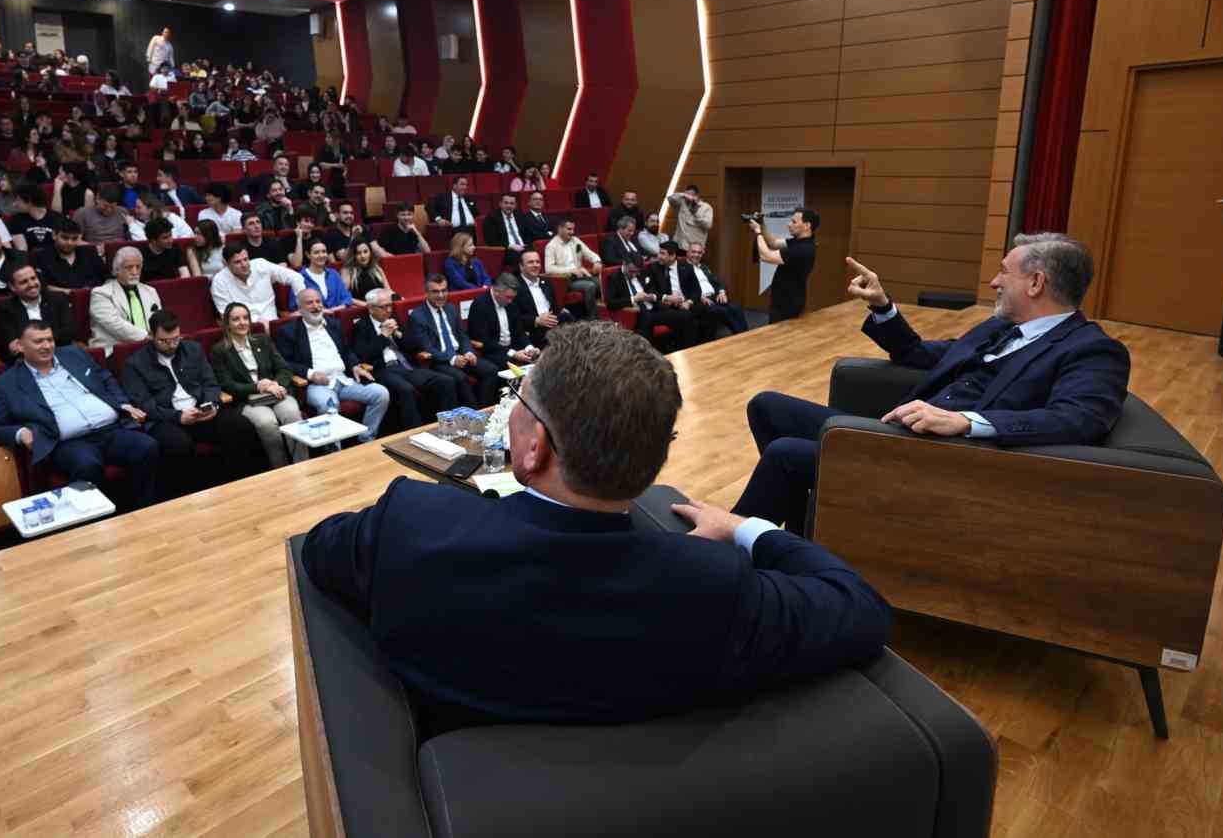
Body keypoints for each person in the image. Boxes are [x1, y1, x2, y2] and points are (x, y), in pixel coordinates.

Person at [302, 320, 892, 728]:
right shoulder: (711, 584)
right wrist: (746, 528)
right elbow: (859, 608)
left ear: (534, 450)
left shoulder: (414, 522)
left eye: (518, 407)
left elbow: (321, 549)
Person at [733, 235, 1132, 536]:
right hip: (897, 432)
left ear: (1036, 283)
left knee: (786, 454)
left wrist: (968, 422)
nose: (994, 281)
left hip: (944, 460)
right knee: (766, 405)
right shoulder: (1000, 327)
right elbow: (919, 354)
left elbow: (1077, 419)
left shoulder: (1093, 350)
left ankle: (728, 548)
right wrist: (881, 305)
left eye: (1004, 272)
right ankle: (806, 534)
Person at [0, 323, 163, 508]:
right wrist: (22, 433)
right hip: (67, 442)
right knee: (87, 464)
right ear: (20, 346)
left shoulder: (75, 354)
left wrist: (123, 404)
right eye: (38, 341)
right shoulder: (8, 382)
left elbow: (106, 378)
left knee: (147, 446)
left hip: (110, 429)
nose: (47, 346)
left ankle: (144, 510)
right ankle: (93, 524)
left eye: (50, 340)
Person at [119, 311, 265, 493]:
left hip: (200, 411)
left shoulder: (193, 349)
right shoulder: (135, 363)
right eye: (164, 341)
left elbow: (211, 383)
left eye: (175, 338)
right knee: (178, 445)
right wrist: (178, 416)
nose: (171, 345)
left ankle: (240, 486)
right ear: (150, 336)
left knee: (239, 425)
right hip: (166, 419)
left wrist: (212, 404)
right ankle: (195, 496)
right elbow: (144, 404)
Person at [273, 289, 389, 444]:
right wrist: (310, 373)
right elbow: (285, 363)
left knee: (381, 393)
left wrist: (355, 365)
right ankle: (335, 451)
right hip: (317, 385)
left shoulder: (334, 324)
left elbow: (347, 350)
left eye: (318, 301)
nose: (316, 306)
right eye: (310, 303)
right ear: (299, 308)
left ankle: (366, 439)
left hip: (344, 380)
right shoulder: (288, 331)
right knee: (329, 406)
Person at [209, 302, 309, 467]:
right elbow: (227, 385)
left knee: (292, 414)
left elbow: (284, 369)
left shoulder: (262, 340)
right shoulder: (219, 350)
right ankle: (281, 468)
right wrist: (259, 386)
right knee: (267, 423)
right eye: (236, 319)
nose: (242, 322)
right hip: (248, 399)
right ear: (227, 324)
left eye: (245, 318)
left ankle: (303, 465)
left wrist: (278, 385)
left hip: (276, 393)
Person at [351, 289, 458, 431]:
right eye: (383, 307)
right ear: (371, 308)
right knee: (406, 390)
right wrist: (383, 336)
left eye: (390, 305)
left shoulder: (395, 319)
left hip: (406, 367)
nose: (388, 310)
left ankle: (448, 427)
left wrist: (398, 334)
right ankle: (417, 433)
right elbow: (363, 356)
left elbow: (414, 346)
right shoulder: (361, 326)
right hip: (383, 370)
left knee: (445, 381)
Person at [405, 273, 498, 407]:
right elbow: (427, 348)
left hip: (460, 355)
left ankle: (486, 408)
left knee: (490, 370)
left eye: (444, 290)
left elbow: (462, 336)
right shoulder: (417, 316)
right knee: (460, 378)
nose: (441, 295)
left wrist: (468, 352)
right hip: (439, 361)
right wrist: (452, 359)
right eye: (435, 292)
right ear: (426, 293)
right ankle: (474, 413)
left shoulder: (451, 308)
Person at [608, 255, 697, 349]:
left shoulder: (641, 273)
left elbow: (653, 290)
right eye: (632, 271)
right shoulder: (614, 278)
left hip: (655, 308)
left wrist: (656, 296)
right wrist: (634, 299)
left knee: (686, 316)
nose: (635, 274)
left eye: (637, 272)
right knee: (646, 320)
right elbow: (611, 303)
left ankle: (687, 350)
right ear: (624, 264)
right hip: (639, 313)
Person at [209, 243, 305, 326]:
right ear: (226, 264)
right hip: (246, 328)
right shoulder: (219, 281)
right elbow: (226, 315)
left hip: (275, 324)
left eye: (246, 259)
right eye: (237, 262)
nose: (244, 265)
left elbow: (296, 277)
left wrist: (302, 305)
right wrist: (255, 324)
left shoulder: (261, 265)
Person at [89, 247, 162, 355]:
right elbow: (115, 325)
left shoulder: (150, 291)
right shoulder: (100, 293)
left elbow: (160, 319)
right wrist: (147, 337)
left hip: (149, 350)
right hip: (116, 352)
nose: (135, 272)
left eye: (138, 267)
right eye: (129, 267)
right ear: (117, 269)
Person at [752, 207, 819, 323]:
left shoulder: (802, 249)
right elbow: (773, 243)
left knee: (778, 337)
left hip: (788, 303)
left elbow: (766, 256)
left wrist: (758, 232)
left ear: (807, 225)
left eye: (794, 222)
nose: (789, 224)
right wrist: (762, 224)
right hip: (783, 299)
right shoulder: (799, 242)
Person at [0, 264, 75, 356]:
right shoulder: (5, 308)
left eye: (33, 278)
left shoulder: (58, 299)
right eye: (24, 282)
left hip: (60, 351)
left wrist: (30, 342)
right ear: (13, 287)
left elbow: (68, 332)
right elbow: (12, 343)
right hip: (27, 358)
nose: (32, 284)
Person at [465, 273, 540, 370]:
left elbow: (519, 332)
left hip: (511, 347)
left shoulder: (511, 303)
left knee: (537, 359)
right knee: (506, 363)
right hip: (492, 351)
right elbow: (484, 341)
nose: (510, 301)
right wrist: (513, 353)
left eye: (513, 297)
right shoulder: (480, 305)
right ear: (496, 291)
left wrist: (529, 348)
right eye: (508, 297)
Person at [684, 241, 748, 336]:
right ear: (687, 253)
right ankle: (741, 336)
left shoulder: (704, 267)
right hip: (700, 300)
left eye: (699, 253)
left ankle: (744, 335)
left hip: (714, 297)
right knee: (722, 311)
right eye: (693, 252)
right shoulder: (682, 267)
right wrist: (699, 297)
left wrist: (722, 292)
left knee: (736, 308)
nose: (696, 255)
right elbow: (683, 287)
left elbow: (717, 282)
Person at [512, 250, 570, 350]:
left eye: (537, 262)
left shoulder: (546, 283)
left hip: (551, 325)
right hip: (532, 330)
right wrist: (537, 320)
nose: (535, 265)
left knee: (569, 318)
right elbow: (513, 319)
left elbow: (555, 309)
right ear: (521, 266)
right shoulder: (514, 286)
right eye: (530, 262)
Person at [543, 219, 602, 314]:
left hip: (580, 276)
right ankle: (593, 317)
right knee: (590, 286)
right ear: (560, 229)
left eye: (573, 229)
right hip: (565, 280)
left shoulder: (575, 241)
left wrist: (597, 261)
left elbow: (589, 253)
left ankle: (605, 312)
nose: (572, 232)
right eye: (569, 229)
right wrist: (571, 270)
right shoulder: (551, 246)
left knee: (601, 282)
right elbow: (549, 269)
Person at [31, 218, 107, 291]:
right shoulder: (40, 256)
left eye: (74, 239)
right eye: (65, 238)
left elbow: (106, 277)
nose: (69, 243)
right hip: (61, 301)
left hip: (95, 297)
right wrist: (74, 293)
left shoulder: (90, 252)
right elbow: (41, 286)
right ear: (54, 235)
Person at [291, 238, 353, 312]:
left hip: (337, 317)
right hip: (312, 319)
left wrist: (331, 311)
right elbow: (295, 306)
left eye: (324, 252)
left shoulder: (334, 274)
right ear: (308, 255)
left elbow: (347, 299)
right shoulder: (299, 277)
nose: (321, 255)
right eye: (316, 252)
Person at [481, 192, 531, 269]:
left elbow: (527, 233)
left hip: (523, 247)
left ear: (515, 205)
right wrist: (510, 246)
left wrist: (526, 244)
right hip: (506, 250)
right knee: (519, 257)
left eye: (512, 203)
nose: (509, 206)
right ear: (500, 204)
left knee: (535, 254)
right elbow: (491, 240)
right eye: (506, 203)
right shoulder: (492, 218)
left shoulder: (520, 215)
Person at [666, 184, 714, 251]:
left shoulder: (706, 207)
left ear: (697, 196)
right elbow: (670, 199)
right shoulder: (681, 204)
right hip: (679, 245)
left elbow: (708, 225)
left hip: (694, 247)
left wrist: (695, 213)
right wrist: (683, 195)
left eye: (690, 195)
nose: (688, 197)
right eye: (686, 194)